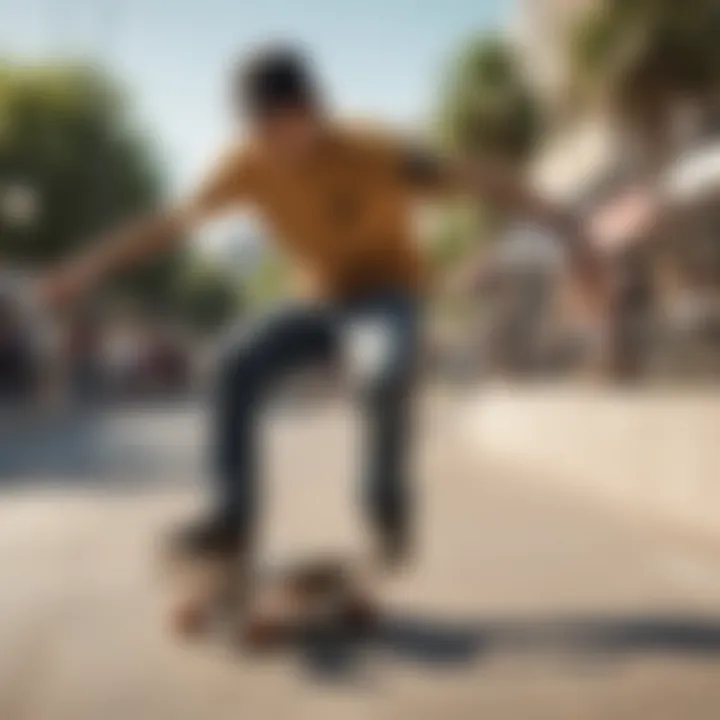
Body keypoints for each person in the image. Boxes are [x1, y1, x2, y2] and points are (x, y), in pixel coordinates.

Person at [39, 45, 603, 576]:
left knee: (382, 371)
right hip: (319, 300)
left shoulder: (377, 151)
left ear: (312, 111)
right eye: (258, 134)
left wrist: (571, 228)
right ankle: (234, 520)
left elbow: (487, 179)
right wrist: (87, 267)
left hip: (388, 293)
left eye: (281, 132)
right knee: (235, 362)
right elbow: (169, 224)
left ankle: (386, 510)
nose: (273, 149)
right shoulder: (246, 163)